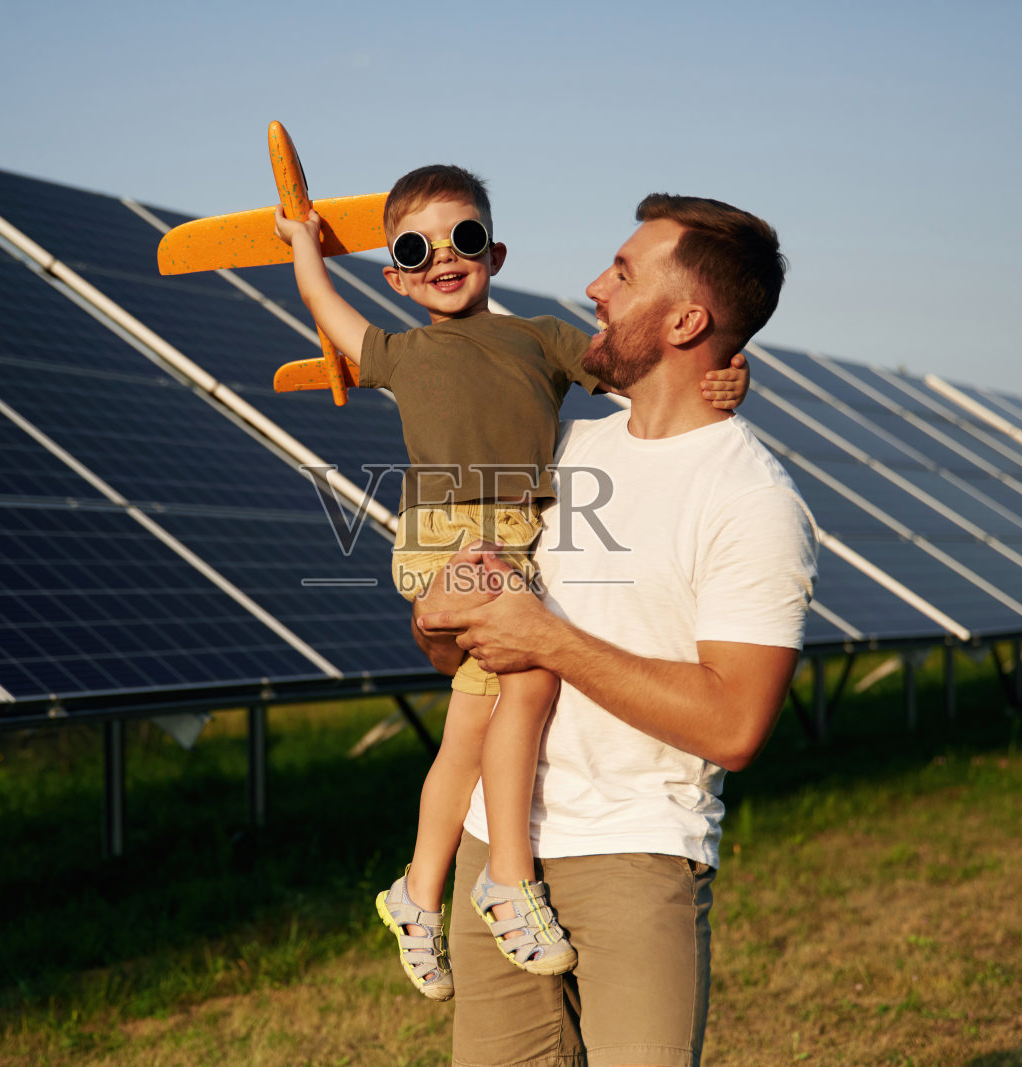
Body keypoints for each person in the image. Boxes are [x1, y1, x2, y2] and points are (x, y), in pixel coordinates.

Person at [274, 168, 750, 1002]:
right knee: (527, 681)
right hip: (447, 539)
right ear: (395, 273)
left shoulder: (542, 338)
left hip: (516, 542)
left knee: (478, 719)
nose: (441, 261)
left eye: (462, 240)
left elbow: (646, 372)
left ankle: (421, 890)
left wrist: (724, 377)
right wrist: (306, 245)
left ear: (493, 251)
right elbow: (329, 310)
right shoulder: (398, 350)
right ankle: (505, 879)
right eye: (415, 250)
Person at [413, 193, 818, 1067]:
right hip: (497, 851)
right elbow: (464, 655)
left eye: (624, 274)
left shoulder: (752, 502)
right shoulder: (561, 451)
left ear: (687, 320)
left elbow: (736, 725)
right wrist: (444, 623)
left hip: (635, 858)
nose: (593, 287)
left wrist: (546, 640)